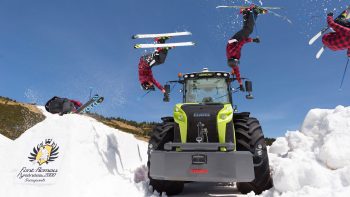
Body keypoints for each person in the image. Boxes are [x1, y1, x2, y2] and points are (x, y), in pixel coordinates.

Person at [226, 5, 265, 90]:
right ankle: (245, 12)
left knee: (249, 30)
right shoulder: (233, 63)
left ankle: (254, 11)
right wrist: (240, 84)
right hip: (234, 41)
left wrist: (253, 40)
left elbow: (242, 42)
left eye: (237, 62)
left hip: (235, 40)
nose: (238, 63)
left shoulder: (233, 53)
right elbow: (237, 73)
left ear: (234, 60)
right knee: (245, 29)